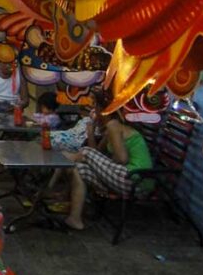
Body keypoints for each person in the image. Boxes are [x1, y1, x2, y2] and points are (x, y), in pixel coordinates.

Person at [63, 91, 153, 231]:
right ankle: (75, 219)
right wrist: (91, 133)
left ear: (103, 109)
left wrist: (107, 161)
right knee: (79, 168)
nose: (93, 110)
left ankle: (59, 161)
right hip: (125, 178)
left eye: (95, 106)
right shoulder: (110, 128)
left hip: (136, 180)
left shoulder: (113, 125)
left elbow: (122, 159)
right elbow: (96, 153)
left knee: (85, 153)